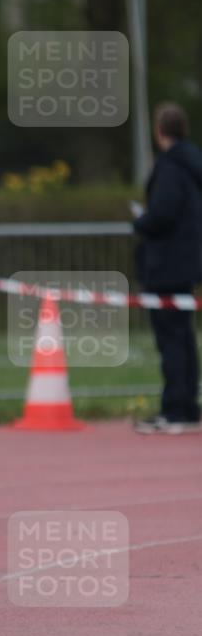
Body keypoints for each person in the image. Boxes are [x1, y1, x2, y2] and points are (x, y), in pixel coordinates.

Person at [132, 102, 202, 434]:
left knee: (171, 339)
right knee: (184, 337)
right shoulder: (192, 164)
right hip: (187, 264)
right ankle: (187, 406)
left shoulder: (170, 168)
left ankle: (175, 409)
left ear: (160, 132)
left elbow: (163, 214)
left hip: (166, 265)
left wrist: (140, 221)